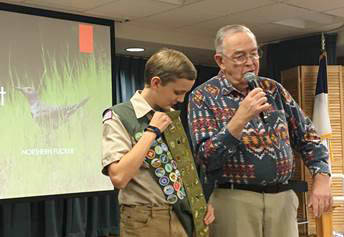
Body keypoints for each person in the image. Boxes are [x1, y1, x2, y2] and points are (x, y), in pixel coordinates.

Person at [187, 25, 332, 237]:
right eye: (239, 56)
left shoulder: (273, 89)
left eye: (254, 53)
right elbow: (206, 157)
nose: (250, 62)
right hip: (233, 201)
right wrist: (240, 118)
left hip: (282, 198)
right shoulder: (203, 97)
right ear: (220, 60)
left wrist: (321, 177)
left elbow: (308, 136)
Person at [101, 48, 214, 237]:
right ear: (156, 82)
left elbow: (184, 171)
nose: (181, 99)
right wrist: (151, 132)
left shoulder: (170, 116)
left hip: (183, 215)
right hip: (146, 218)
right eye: (177, 92)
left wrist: (200, 203)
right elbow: (119, 177)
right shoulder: (119, 116)